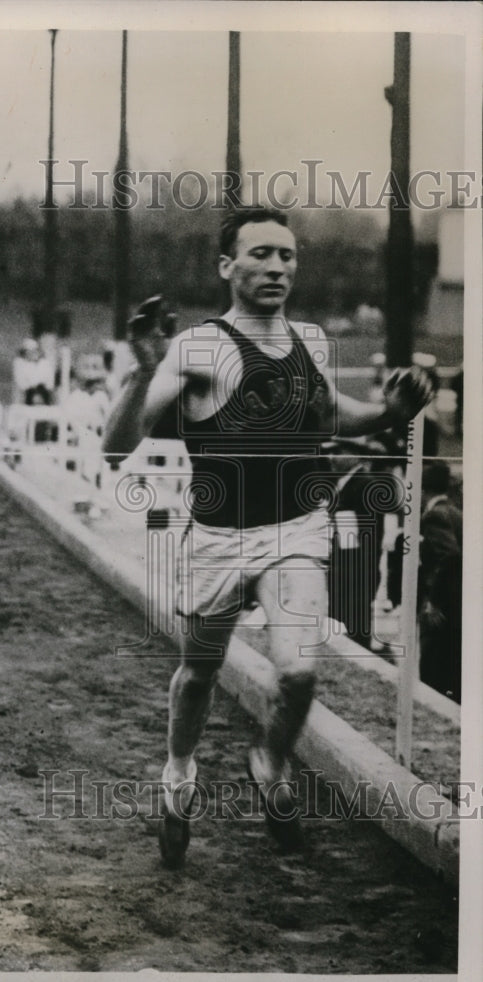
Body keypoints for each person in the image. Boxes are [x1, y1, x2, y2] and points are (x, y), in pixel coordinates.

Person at [103, 206, 434, 867]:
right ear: (227, 266)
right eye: (259, 254)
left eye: (285, 255)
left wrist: (392, 413)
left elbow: (336, 414)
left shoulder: (310, 340)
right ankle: (177, 772)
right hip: (219, 538)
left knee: (300, 670)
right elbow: (118, 447)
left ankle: (270, 761)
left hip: (296, 530)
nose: (276, 267)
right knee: (197, 672)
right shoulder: (198, 346)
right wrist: (143, 370)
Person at [418, 461, 463, 703]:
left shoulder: (435, 515)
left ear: (423, 490)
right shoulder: (455, 512)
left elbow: (449, 554)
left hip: (441, 606)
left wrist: (433, 601)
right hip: (457, 605)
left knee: (432, 671)